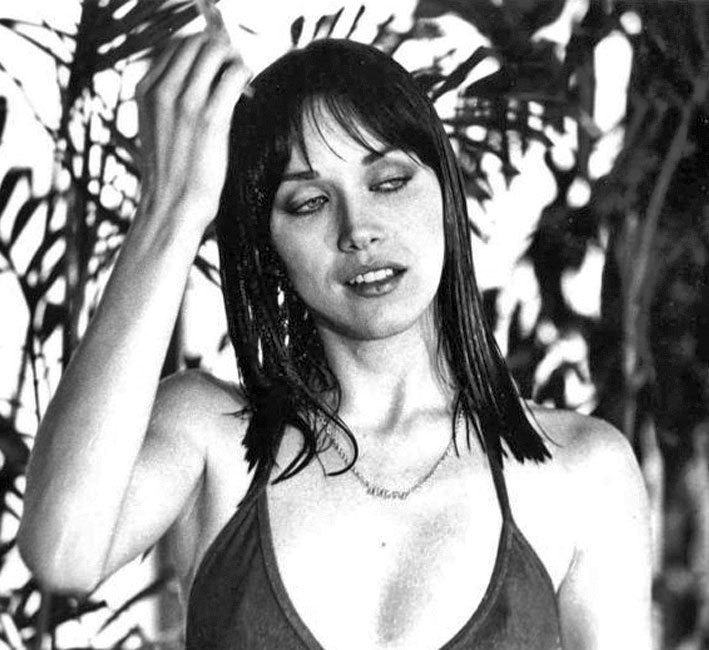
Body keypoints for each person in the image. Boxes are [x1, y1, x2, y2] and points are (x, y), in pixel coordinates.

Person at [17, 32, 651, 650]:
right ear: (270, 246)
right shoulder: (211, 439)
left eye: (389, 181)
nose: (358, 230)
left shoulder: (581, 470)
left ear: (445, 196)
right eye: (309, 202)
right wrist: (170, 208)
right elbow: (62, 553)